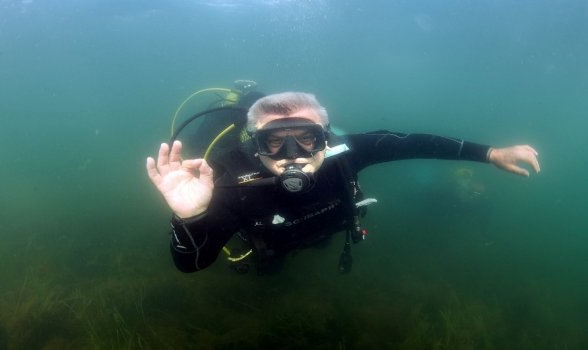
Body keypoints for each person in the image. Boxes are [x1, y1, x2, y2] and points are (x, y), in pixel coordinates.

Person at [146, 91, 540, 274]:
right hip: (269, 247)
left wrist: (489, 154)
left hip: (324, 232)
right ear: (255, 146)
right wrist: (192, 218)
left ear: (326, 137)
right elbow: (192, 264)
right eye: (274, 141)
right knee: (269, 274)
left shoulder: (346, 152)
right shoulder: (230, 178)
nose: (292, 153)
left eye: (306, 138)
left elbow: (412, 142)